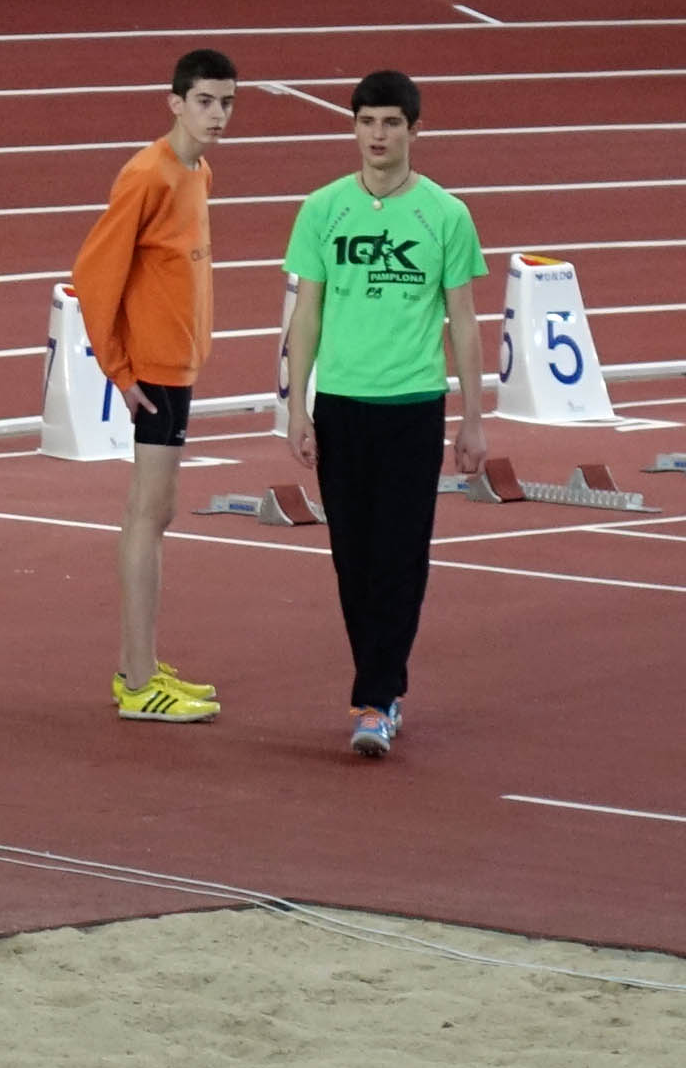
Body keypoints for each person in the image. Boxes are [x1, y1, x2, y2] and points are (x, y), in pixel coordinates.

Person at [283, 69, 489, 758]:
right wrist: (296, 406)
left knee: (401, 557)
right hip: (340, 405)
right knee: (354, 558)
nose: (378, 135)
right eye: (367, 122)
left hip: (413, 407)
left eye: (391, 123)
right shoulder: (322, 210)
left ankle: (377, 699)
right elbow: (306, 311)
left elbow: (463, 321)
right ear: (354, 127)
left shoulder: (446, 214)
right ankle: (378, 686)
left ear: (414, 130)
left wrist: (473, 416)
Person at [70, 50, 238, 724]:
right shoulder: (149, 176)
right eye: (204, 101)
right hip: (154, 370)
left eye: (227, 102)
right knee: (148, 512)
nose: (217, 114)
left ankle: (140, 665)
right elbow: (93, 270)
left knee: (158, 511)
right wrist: (118, 369)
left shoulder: (198, 171)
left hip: (178, 363)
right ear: (175, 102)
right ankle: (138, 682)